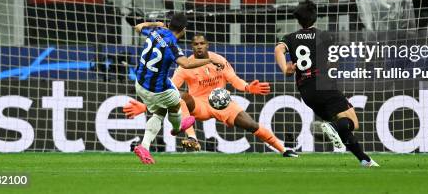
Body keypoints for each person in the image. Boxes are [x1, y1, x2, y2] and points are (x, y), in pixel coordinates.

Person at [123, 34, 298, 157]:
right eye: (195, 44)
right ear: (192, 47)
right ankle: (192, 138)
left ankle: (284, 150)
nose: (199, 46)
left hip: (223, 103)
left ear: (207, 45)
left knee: (252, 125)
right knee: (181, 96)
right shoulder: (185, 65)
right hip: (199, 105)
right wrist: (145, 106)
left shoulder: (219, 60)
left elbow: (233, 79)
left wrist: (247, 88)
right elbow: (168, 92)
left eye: (202, 43)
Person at [274, 0, 379, 167]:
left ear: (298, 19)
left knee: (342, 126)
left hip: (306, 91)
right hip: (323, 84)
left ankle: (365, 160)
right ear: (315, 18)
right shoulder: (323, 35)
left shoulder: (290, 38)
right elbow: (333, 61)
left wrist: (286, 68)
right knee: (352, 123)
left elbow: (278, 49)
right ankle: (333, 127)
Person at [129, 13, 226, 164]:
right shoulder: (172, 45)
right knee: (176, 103)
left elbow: (138, 27)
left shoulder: (156, 32)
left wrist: (153, 24)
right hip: (157, 89)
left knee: (161, 111)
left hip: (140, 83)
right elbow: (186, 64)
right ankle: (177, 127)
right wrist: (210, 60)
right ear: (184, 29)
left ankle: (144, 146)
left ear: (168, 24)